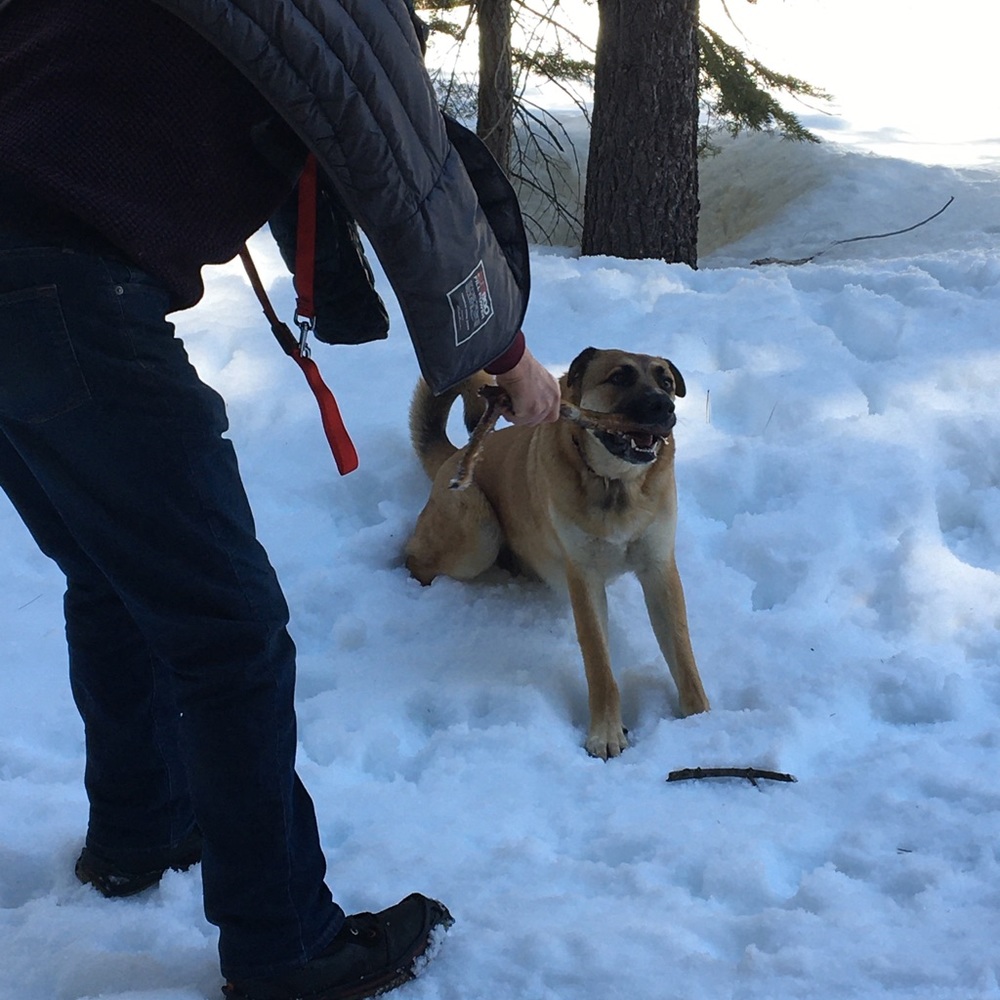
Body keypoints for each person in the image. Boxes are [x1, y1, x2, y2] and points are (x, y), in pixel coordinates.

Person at [0, 2, 561, 999]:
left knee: (111, 570)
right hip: (65, 289)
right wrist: (506, 354)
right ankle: (286, 947)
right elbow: (415, 182)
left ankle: (143, 825)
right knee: (229, 631)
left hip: (30, 277)